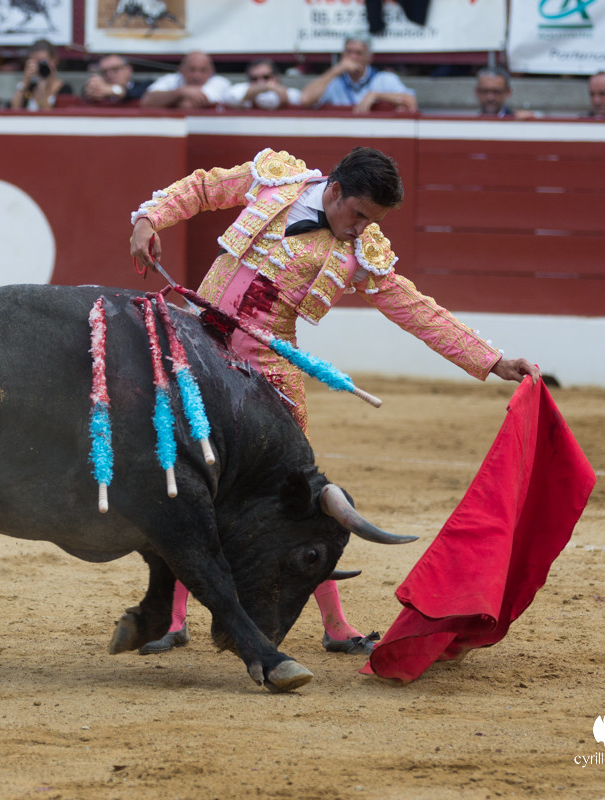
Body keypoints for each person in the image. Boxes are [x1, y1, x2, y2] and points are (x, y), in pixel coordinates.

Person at [128, 146, 539, 655]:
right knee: (186, 476)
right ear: (335, 190)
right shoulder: (276, 182)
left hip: (268, 374)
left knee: (298, 497)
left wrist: (491, 360)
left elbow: (415, 309)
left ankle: (336, 625)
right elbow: (203, 188)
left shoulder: (360, 253)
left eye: (373, 221)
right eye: (359, 215)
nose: (361, 229)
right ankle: (172, 617)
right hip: (197, 350)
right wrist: (149, 219)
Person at [299, 37, 416, 114]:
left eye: (358, 53)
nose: (352, 57)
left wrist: (376, 95)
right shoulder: (333, 81)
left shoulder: (384, 79)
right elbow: (306, 99)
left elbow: (411, 101)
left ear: (369, 57)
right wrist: (336, 70)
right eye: (348, 52)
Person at [140, 51, 232, 110]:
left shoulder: (220, 83)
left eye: (203, 70)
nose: (197, 76)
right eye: (192, 70)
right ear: (181, 70)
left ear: (211, 72)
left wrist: (168, 99)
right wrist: (180, 92)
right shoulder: (170, 79)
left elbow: (188, 105)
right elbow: (147, 101)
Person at [10, 39, 72, 111]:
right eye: (36, 62)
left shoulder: (65, 90)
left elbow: (47, 114)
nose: (39, 66)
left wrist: (43, 85)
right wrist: (25, 80)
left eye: (43, 62)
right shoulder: (30, 87)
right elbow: (14, 109)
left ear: (54, 60)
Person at [225, 58, 302, 110]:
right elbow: (233, 96)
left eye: (266, 77)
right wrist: (268, 87)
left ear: (277, 77)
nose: (260, 82)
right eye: (254, 79)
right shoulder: (241, 89)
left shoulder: (292, 92)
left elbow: (295, 98)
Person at [82, 54, 151, 105]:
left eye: (115, 69)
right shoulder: (98, 92)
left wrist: (113, 90)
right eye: (104, 72)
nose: (110, 75)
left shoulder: (144, 86)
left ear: (128, 70)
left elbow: (136, 93)